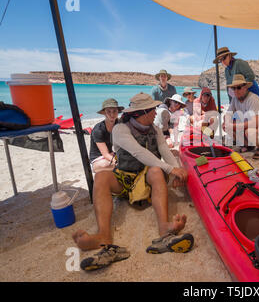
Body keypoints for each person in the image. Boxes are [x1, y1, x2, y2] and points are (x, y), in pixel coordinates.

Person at [73, 92, 193, 271]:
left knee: (155, 170)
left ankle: (164, 228)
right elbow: (139, 153)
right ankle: (103, 235)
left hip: (148, 179)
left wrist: (176, 169)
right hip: (125, 179)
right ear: (140, 113)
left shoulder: (154, 128)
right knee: (101, 177)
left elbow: (163, 149)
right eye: (152, 109)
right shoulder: (120, 129)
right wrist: (171, 169)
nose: (155, 112)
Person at [223, 74, 259, 159]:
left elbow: (256, 122)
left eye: (239, 87)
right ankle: (248, 145)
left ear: (245, 87)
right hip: (248, 124)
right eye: (234, 88)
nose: (236, 90)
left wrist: (233, 125)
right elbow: (228, 113)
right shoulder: (235, 99)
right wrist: (226, 122)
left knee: (250, 131)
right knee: (227, 126)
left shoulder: (253, 99)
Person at [89, 98, 124, 173]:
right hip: (99, 159)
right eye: (109, 111)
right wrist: (117, 162)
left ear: (118, 112)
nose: (112, 114)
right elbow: (105, 154)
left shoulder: (119, 124)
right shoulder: (98, 130)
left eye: (114, 111)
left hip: (113, 154)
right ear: (104, 113)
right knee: (106, 164)